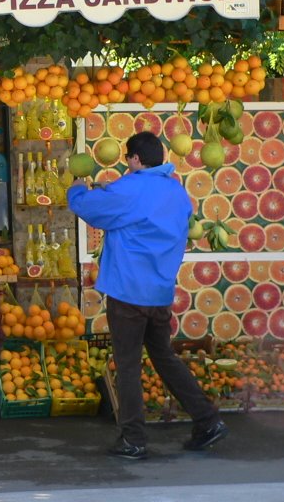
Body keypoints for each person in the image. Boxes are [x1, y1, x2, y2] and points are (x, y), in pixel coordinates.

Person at [67, 131, 228, 460]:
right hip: (159, 293)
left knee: (127, 365)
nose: (127, 165)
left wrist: (76, 187)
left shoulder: (132, 186)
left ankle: (133, 439)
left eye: (128, 159)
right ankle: (208, 420)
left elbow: (91, 209)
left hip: (128, 292)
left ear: (136, 159)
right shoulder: (176, 192)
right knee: (163, 357)